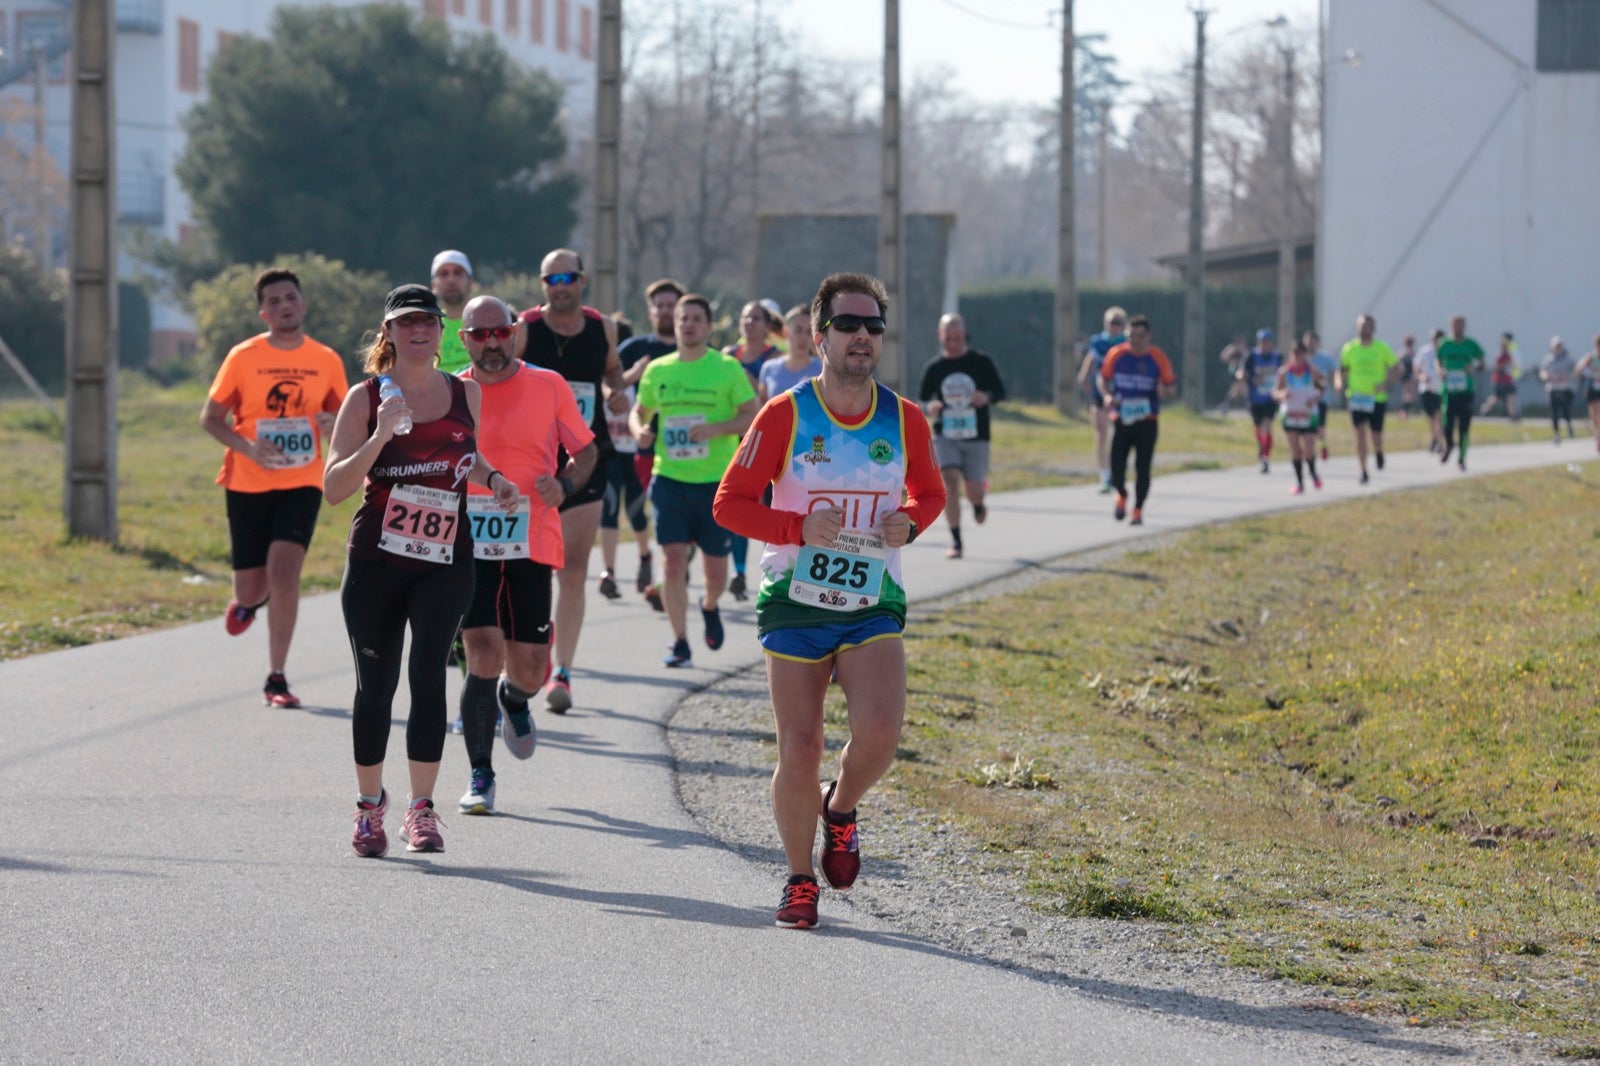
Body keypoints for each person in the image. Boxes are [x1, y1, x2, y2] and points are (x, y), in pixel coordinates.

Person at [712, 272, 945, 930]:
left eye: (874, 326)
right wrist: (795, 529)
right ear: (819, 337)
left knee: (878, 736)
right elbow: (729, 504)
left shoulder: (905, 418)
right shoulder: (785, 414)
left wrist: (911, 521)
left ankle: (838, 811)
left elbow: (929, 493)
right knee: (800, 746)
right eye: (848, 325)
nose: (863, 337)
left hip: (872, 597)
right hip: (794, 598)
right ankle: (797, 877)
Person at [323, 284, 519, 857]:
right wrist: (382, 433)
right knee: (376, 687)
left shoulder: (465, 393)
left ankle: (421, 809)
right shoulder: (364, 398)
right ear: (388, 333)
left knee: (429, 675)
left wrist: (496, 479)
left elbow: (468, 454)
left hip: (444, 559)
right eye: (406, 323)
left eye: (428, 322)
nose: (418, 331)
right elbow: (334, 488)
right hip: (378, 563)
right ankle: (368, 809)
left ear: (440, 332)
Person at [455, 295, 596, 814]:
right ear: (464, 338)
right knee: (484, 654)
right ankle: (480, 774)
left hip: (532, 536)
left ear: (515, 332)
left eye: (500, 332)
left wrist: (563, 483)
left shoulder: (548, 384)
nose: (491, 343)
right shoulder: (452, 390)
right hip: (468, 540)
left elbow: (586, 450)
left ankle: (515, 702)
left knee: (530, 669)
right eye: (479, 334)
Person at [200, 267, 348, 709]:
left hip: (302, 480)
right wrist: (247, 448)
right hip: (248, 481)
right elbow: (210, 418)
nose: (284, 306)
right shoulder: (243, 356)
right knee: (252, 588)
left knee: (285, 573)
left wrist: (331, 422)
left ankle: (277, 677)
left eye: (291, 298)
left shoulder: (326, 359)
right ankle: (247, 603)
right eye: (275, 301)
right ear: (264, 312)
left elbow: (350, 420)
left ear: (302, 305)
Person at [514, 248, 628, 713]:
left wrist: (616, 393)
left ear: (581, 280)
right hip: (532, 461)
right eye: (550, 278)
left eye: (567, 276)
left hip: (585, 457)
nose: (559, 285)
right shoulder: (525, 328)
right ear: (542, 285)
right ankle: (531, 649)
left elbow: (612, 370)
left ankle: (563, 669)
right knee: (528, 564)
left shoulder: (601, 327)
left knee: (574, 567)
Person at [630, 293, 759, 667]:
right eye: (683, 318)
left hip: (716, 484)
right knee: (672, 562)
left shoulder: (726, 368)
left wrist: (716, 428)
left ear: (709, 326)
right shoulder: (659, 369)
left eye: (696, 319)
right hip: (669, 478)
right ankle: (679, 641)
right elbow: (641, 412)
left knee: (715, 571)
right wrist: (640, 432)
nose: (687, 324)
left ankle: (709, 603)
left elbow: (751, 414)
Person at [600, 278, 682, 602]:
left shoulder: (688, 352)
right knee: (611, 506)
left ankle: (656, 562)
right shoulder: (634, 348)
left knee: (648, 511)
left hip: (675, 450)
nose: (664, 311)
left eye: (670, 305)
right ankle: (609, 571)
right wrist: (633, 374)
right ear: (650, 311)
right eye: (659, 305)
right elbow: (608, 381)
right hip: (627, 443)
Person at [917, 313, 1006, 559]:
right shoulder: (934, 368)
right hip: (946, 435)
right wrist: (930, 407)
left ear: (964, 335)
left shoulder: (981, 362)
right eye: (948, 339)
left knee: (973, 489)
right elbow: (921, 400)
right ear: (940, 337)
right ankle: (956, 541)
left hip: (977, 436)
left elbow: (1000, 391)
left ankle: (977, 502)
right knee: (949, 481)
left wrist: (985, 397)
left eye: (957, 338)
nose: (953, 343)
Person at [723, 301, 783, 600]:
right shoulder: (727, 356)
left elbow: (769, 398)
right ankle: (738, 571)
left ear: (767, 325)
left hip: (768, 443)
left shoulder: (776, 359)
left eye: (756, 318)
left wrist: (746, 380)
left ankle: (770, 570)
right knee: (739, 504)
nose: (749, 322)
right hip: (733, 439)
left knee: (767, 509)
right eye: (745, 316)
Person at [1100, 314, 1177, 525]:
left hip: (1147, 420)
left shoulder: (1158, 357)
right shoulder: (1116, 354)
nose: (1134, 340)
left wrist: (1165, 390)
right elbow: (1103, 379)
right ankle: (1121, 495)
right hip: (1122, 419)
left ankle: (1138, 509)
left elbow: (1172, 386)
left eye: (1139, 336)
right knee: (1116, 466)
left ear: (1148, 335)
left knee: (1143, 468)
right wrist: (1107, 396)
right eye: (1130, 335)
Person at [1336, 314, 1400, 485]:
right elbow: (1342, 370)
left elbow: (1396, 369)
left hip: (1376, 398)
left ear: (1373, 328)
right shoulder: (1349, 348)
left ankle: (1378, 451)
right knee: (1359, 434)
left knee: (1375, 434)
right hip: (1356, 397)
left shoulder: (1382, 348)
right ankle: (1363, 470)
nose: (1364, 329)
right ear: (1357, 328)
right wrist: (1339, 383)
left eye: (1368, 326)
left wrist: (1385, 384)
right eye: (1361, 326)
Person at [1077, 306, 1127, 493]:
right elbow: (1089, 362)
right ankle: (1105, 477)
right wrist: (1084, 379)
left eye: (1118, 322)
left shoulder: (1127, 344)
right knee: (1101, 434)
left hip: (1122, 395)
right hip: (1100, 395)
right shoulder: (1097, 343)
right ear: (1105, 323)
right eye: (1111, 322)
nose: (1114, 326)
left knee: (1121, 436)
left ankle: (1118, 472)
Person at [1273, 339, 1327, 494]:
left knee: (1309, 448)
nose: (1297, 356)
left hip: (1309, 414)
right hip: (1290, 414)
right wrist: (1282, 394)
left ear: (1305, 354)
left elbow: (1323, 384)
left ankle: (1313, 471)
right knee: (1295, 450)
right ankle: (1299, 483)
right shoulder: (1284, 372)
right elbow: (1275, 393)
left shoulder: (1311, 370)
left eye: (1300, 353)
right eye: (1294, 353)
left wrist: (1315, 397)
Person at [1437, 314, 1486, 471]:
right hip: (1449, 391)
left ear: (1464, 327)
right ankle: (1449, 445)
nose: (1458, 328)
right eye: (1455, 325)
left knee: (1464, 427)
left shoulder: (1471, 344)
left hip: (1466, 391)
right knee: (1447, 424)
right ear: (1450, 326)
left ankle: (1462, 458)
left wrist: (1475, 367)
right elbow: (1437, 361)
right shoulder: (1444, 344)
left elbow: (1483, 363)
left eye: (1461, 325)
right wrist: (1441, 371)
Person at [758, 304, 824, 402]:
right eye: (798, 330)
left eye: (809, 332)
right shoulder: (768, 368)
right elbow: (762, 406)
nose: (803, 337)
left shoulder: (822, 370)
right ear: (786, 332)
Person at [1239, 328, 1282, 473]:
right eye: (1263, 342)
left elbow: (1284, 374)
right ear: (1259, 343)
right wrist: (1251, 378)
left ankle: (1265, 458)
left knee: (1267, 426)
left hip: (1271, 398)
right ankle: (1261, 447)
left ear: (1271, 343)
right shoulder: (1251, 356)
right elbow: (1241, 373)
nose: (1265, 345)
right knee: (1259, 428)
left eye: (1268, 342)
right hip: (1255, 399)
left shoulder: (1278, 357)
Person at [431, 250, 475, 374]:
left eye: (458, 273)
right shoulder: (425, 327)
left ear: (471, 282)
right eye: (444, 274)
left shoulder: (488, 323)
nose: (451, 280)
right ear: (434, 285)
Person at [1305, 330, 1338, 461]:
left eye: (1313, 342)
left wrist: (1336, 383)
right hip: (1306, 399)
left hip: (1322, 398)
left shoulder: (1325, 358)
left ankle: (1323, 445)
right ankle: (1310, 451)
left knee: (1320, 426)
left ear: (1317, 343)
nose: (1310, 345)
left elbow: (1335, 371)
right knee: (1308, 427)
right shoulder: (1302, 358)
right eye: (1308, 342)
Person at [1414, 328, 1445, 453]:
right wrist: (1421, 376)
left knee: (1439, 416)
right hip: (1427, 388)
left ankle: (1439, 441)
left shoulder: (1445, 351)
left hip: (1441, 389)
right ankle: (1435, 439)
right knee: (1432, 417)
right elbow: (1416, 366)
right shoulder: (1425, 351)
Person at [1541, 336, 1577, 443]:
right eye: (1556, 346)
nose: (1557, 348)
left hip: (1565, 388)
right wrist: (1547, 376)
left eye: (1559, 346)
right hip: (1552, 389)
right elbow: (1542, 372)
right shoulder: (1548, 359)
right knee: (1554, 413)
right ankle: (1557, 434)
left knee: (1566, 411)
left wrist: (1565, 376)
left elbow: (1575, 371)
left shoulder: (1568, 359)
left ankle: (1569, 426)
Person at [1480, 332, 1521, 419]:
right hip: (1500, 380)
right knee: (1497, 397)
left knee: (1511, 396)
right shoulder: (1500, 355)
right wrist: (1504, 367)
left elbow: (1513, 365)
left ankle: (1513, 415)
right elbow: (1496, 367)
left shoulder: (1510, 354)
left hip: (1508, 379)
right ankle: (1485, 408)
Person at [1575, 334, 1600, 453]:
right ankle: (1597, 434)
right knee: (1594, 415)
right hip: (1592, 389)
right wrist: (1586, 371)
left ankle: (1599, 438)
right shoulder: (1590, 357)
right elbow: (1579, 369)